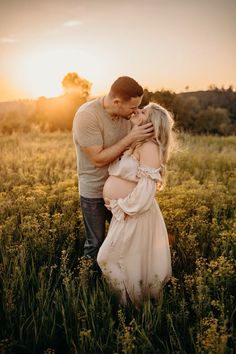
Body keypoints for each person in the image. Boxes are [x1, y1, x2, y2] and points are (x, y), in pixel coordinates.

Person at [97, 102, 174, 305]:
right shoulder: (137, 144)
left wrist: (120, 207)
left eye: (143, 111)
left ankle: (129, 306)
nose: (137, 110)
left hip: (135, 214)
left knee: (107, 258)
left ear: (150, 124)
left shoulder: (150, 147)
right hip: (127, 214)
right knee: (126, 260)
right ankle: (127, 305)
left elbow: (146, 191)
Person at [72, 76, 154, 259]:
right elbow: (98, 159)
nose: (136, 111)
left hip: (121, 194)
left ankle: (117, 282)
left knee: (126, 237)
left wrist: (137, 131)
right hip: (93, 190)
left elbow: (132, 151)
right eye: (133, 107)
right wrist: (132, 136)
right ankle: (89, 283)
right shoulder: (87, 116)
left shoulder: (128, 116)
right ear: (116, 102)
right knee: (96, 242)